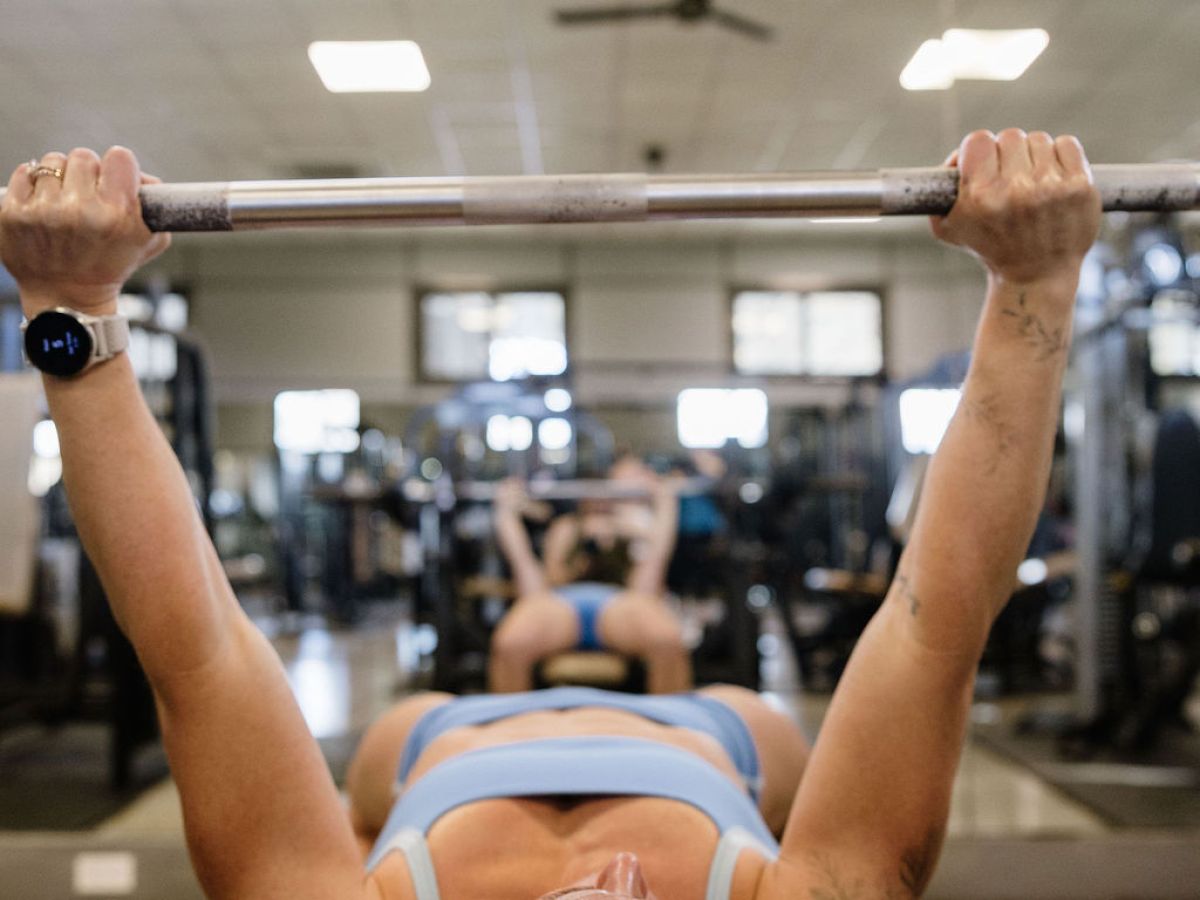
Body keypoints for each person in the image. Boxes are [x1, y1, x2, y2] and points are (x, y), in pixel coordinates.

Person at [0, 127, 1101, 899]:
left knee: (474, 671)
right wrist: (1034, 285)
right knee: (690, 655)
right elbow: (932, 628)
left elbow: (199, 652)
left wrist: (70, 310)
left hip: (443, 742)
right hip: (704, 736)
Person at [489, 457, 692, 693]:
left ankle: (669, 724)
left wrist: (645, 520)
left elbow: (648, 583)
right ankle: (513, 726)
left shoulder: (631, 524)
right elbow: (552, 580)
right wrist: (581, 556)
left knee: (666, 641)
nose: (599, 502)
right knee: (510, 644)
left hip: (620, 604)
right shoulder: (566, 527)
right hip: (563, 605)